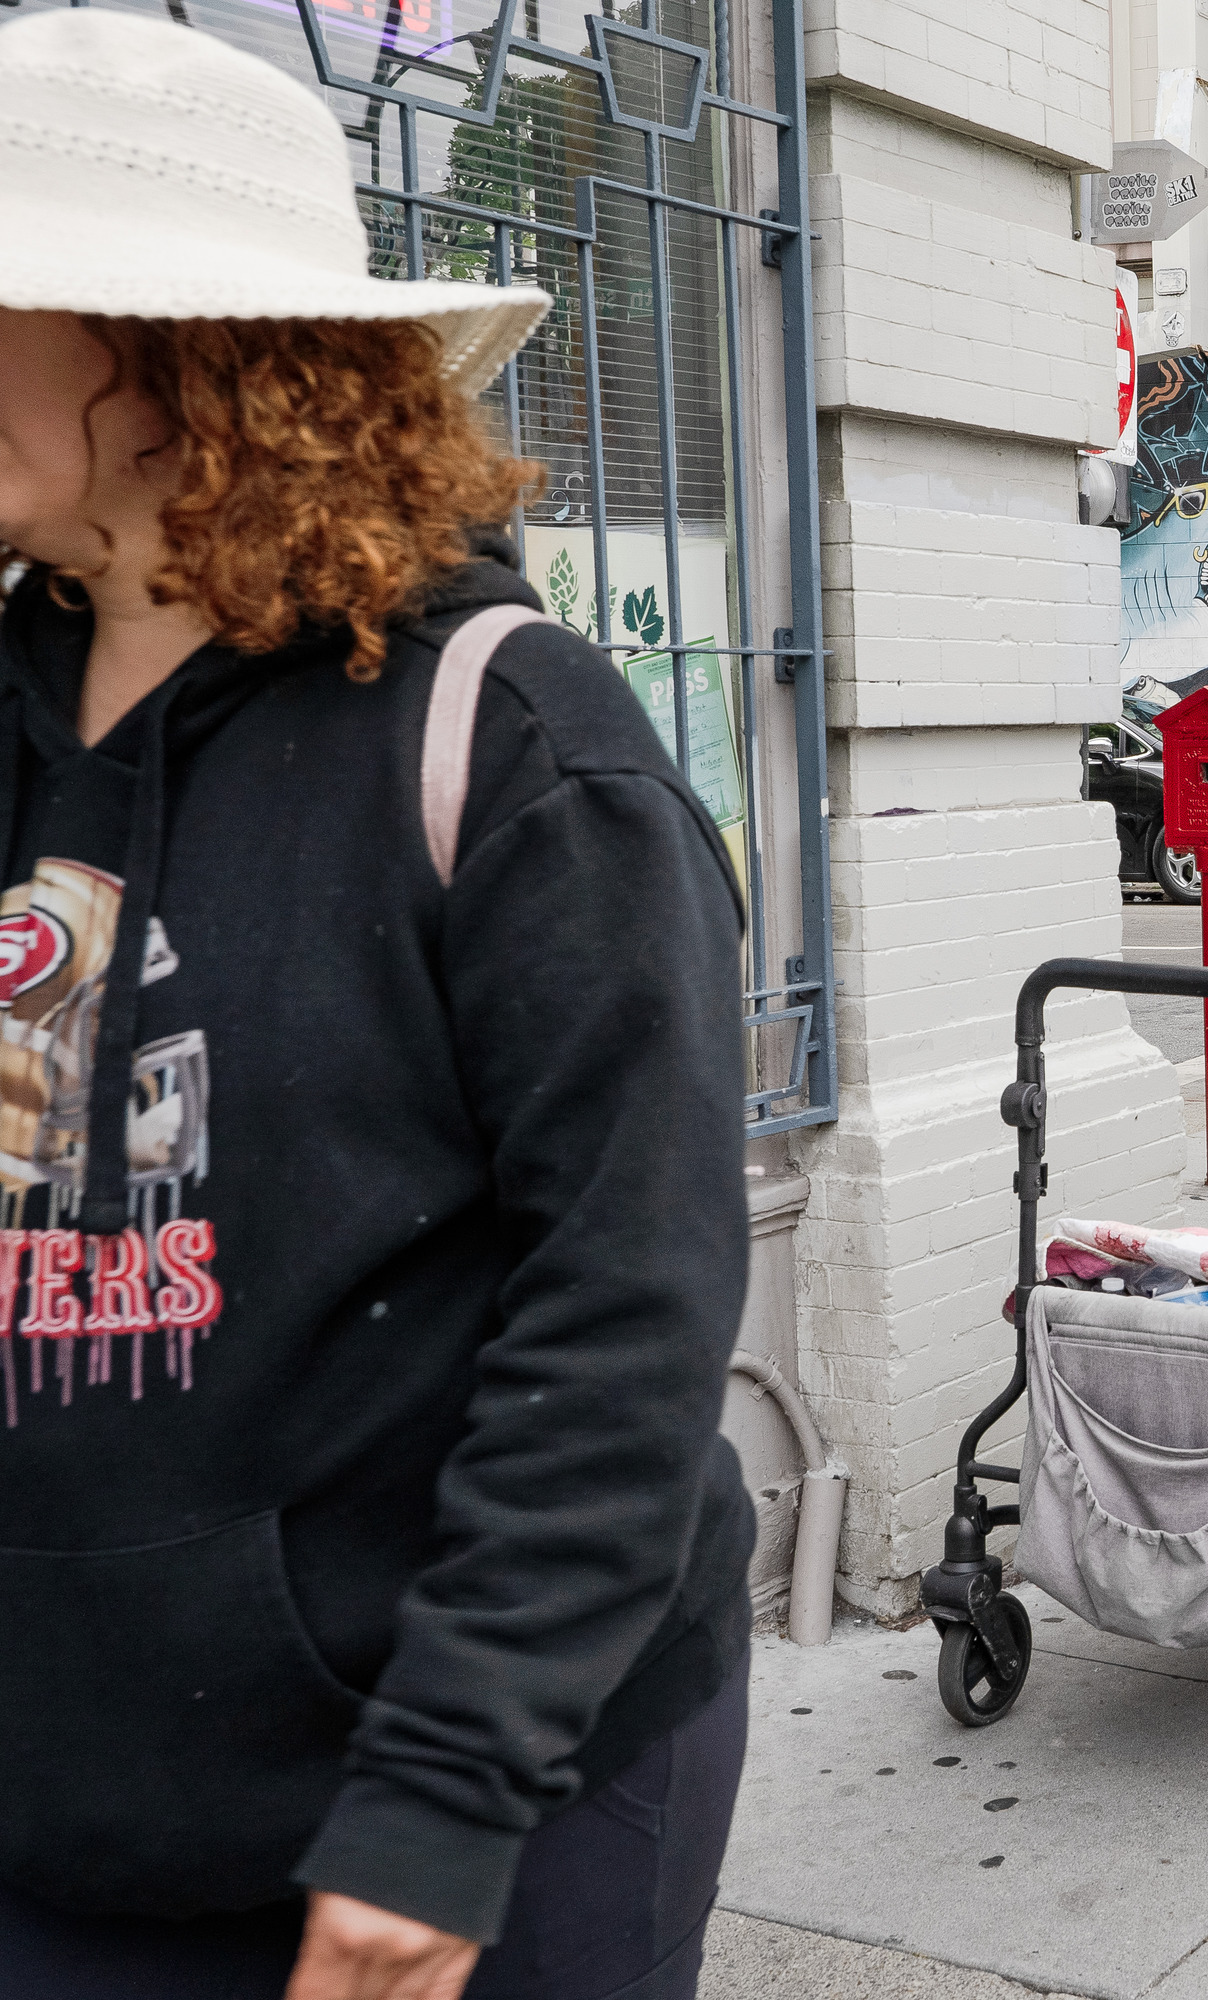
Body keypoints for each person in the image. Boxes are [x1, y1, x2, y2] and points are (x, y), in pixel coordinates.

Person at [0, 14, 753, 2000]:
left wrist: (446, 1788)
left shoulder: (510, 744)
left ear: (182, 354)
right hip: (70, 1788)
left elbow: (630, 1297)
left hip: (470, 1788)